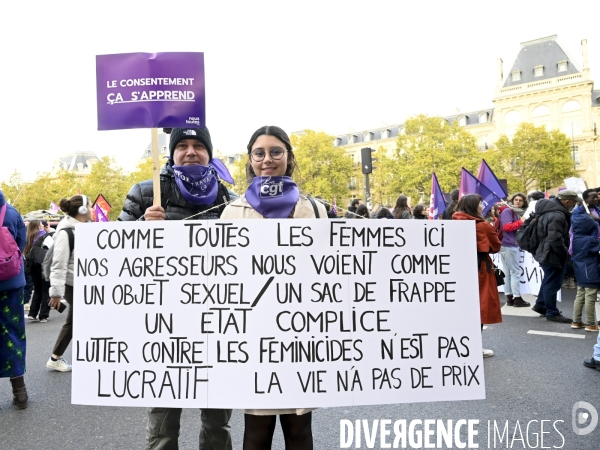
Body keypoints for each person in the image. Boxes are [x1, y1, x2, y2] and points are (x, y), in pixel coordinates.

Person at [119, 127, 233, 450]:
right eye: (182, 145)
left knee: (217, 425)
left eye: (198, 145)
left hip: (216, 329)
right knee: (163, 426)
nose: (190, 151)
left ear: (210, 152)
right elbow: (114, 259)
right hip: (164, 330)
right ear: (171, 153)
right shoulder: (146, 193)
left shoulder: (229, 201)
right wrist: (142, 230)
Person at [221, 125, 326, 450]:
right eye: (260, 153)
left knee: (300, 433)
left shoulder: (316, 210)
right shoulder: (232, 213)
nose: (268, 159)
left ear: (289, 157)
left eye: (275, 151)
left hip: (302, 336)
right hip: (255, 338)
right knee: (256, 434)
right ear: (251, 160)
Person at [46, 195, 93, 373]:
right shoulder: (66, 233)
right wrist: (56, 293)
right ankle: (57, 358)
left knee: (73, 322)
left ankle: (55, 358)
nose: (93, 210)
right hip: (72, 285)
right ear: (82, 210)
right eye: (90, 206)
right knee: (80, 320)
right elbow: (59, 264)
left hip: (82, 284)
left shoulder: (85, 229)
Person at [452, 194, 502, 357]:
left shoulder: (452, 223)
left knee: (459, 307)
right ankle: (473, 347)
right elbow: (496, 247)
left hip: (456, 268)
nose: (482, 205)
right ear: (474, 206)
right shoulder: (483, 226)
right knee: (478, 307)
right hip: (479, 268)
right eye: (480, 203)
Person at [531, 190, 582, 322]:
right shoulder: (557, 215)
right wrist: (564, 252)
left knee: (549, 279)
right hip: (551, 252)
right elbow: (555, 238)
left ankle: (541, 305)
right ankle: (552, 312)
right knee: (553, 282)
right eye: (574, 202)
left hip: (546, 250)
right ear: (566, 201)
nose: (574, 204)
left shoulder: (550, 211)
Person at [0, 188, 28, 409]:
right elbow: (20, 244)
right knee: (14, 333)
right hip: (11, 282)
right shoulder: (11, 212)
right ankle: (20, 392)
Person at [570, 196, 600, 331]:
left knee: (580, 294)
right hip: (590, 268)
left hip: (580, 268)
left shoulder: (575, 237)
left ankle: (576, 321)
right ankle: (591, 323)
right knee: (590, 295)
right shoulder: (591, 240)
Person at [499, 193, 530, 307]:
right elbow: (506, 227)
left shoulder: (517, 212)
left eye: (520, 200)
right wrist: (521, 222)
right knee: (515, 272)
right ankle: (517, 298)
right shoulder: (508, 211)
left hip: (509, 244)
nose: (517, 202)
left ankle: (509, 297)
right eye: (515, 200)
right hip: (508, 244)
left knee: (508, 273)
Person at [23, 220, 51, 322]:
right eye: (41, 224)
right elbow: (52, 250)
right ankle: (44, 315)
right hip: (44, 265)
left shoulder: (28, 237)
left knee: (38, 289)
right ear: (38, 226)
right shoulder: (45, 236)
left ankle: (32, 313)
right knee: (46, 290)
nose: (42, 226)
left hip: (32, 266)